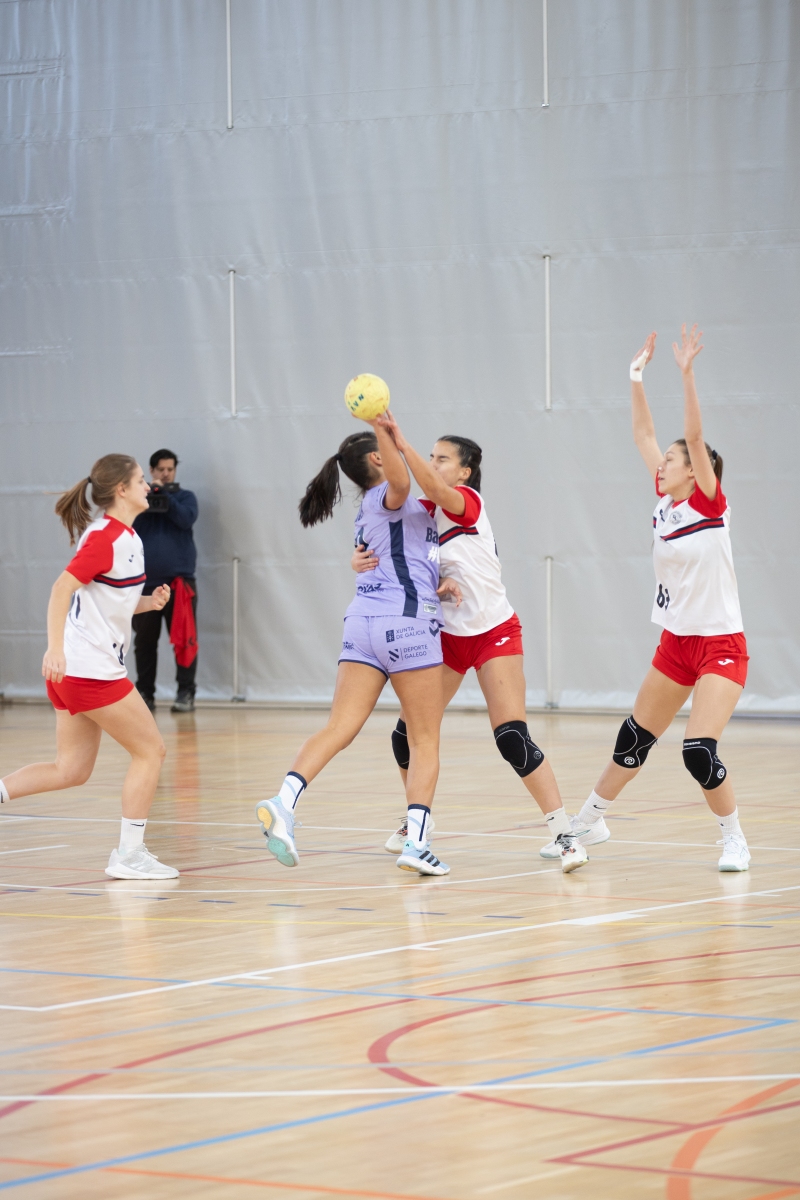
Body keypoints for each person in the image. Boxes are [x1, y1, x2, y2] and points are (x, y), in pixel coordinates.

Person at [541, 324, 751, 872]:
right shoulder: (666, 503)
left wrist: (686, 375)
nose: (662, 464)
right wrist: (635, 376)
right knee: (634, 739)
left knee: (698, 751)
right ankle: (590, 820)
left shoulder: (709, 505)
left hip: (721, 646)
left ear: (696, 471)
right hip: (676, 643)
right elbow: (642, 434)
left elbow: (695, 438)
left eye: (672, 460)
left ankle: (733, 838)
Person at [353, 416, 588, 873]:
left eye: (442, 458)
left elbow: (431, 487)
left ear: (465, 471)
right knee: (405, 735)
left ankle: (565, 835)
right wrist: (359, 559)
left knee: (512, 738)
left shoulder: (467, 502)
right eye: (431, 456)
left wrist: (401, 443)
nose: (433, 464)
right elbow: (393, 550)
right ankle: (415, 823)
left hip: (493, 632)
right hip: (445, 638)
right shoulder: (422, 515)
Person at [255, 417, 460, 876]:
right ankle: (417, 843)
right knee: (424, 739)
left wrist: (436, 583)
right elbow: (401, 481)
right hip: (405, 625)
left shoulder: (371, 508)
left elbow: (402, 557)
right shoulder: (390, 492)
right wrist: (381, 423)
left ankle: (283, 802)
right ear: (377, 458)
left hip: (362, 624)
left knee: (338, 728)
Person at [0, 455, 179, 880]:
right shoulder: (106, 537)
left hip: (79, 671)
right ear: (121, 490)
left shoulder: (127, 537)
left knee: (71, 770)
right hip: (88, 670)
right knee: (150, 751)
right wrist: (54, 649)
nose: (148, 486)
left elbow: (110, 602)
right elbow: (61, 588)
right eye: (141, 480)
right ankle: (129, 855)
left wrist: (148, 603)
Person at [132, 449, 198, 713]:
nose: (166, 473)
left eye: (170, 469)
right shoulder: (140, 500)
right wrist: (149, 496)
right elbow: (130, 527)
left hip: (180, 584)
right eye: (161, 469)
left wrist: (165, 495)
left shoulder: (185, 497)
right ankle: (145, 693)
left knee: (184, 640)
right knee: (144, 642)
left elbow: (186, 519)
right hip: (145, 584)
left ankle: (186, 693)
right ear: (151, 471)